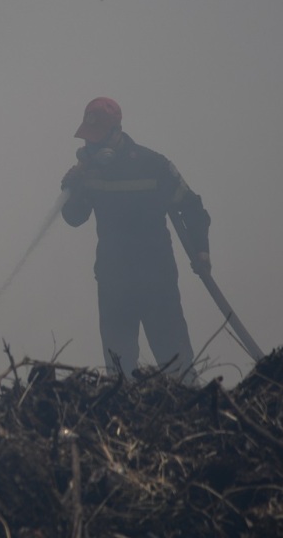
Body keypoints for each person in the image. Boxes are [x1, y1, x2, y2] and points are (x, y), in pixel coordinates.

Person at [60, 96, 210, 379]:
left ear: (117, 132)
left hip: (157, 283)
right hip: (114, 285)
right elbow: (74, 218)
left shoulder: (154, 165)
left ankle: (192, 412)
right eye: (88, 140)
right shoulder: (90, 172)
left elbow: (193, 208)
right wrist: (72, 188)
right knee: (120, 371)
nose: (91, 146)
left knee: (177, 365)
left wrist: (202, 252)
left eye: (97, 139)